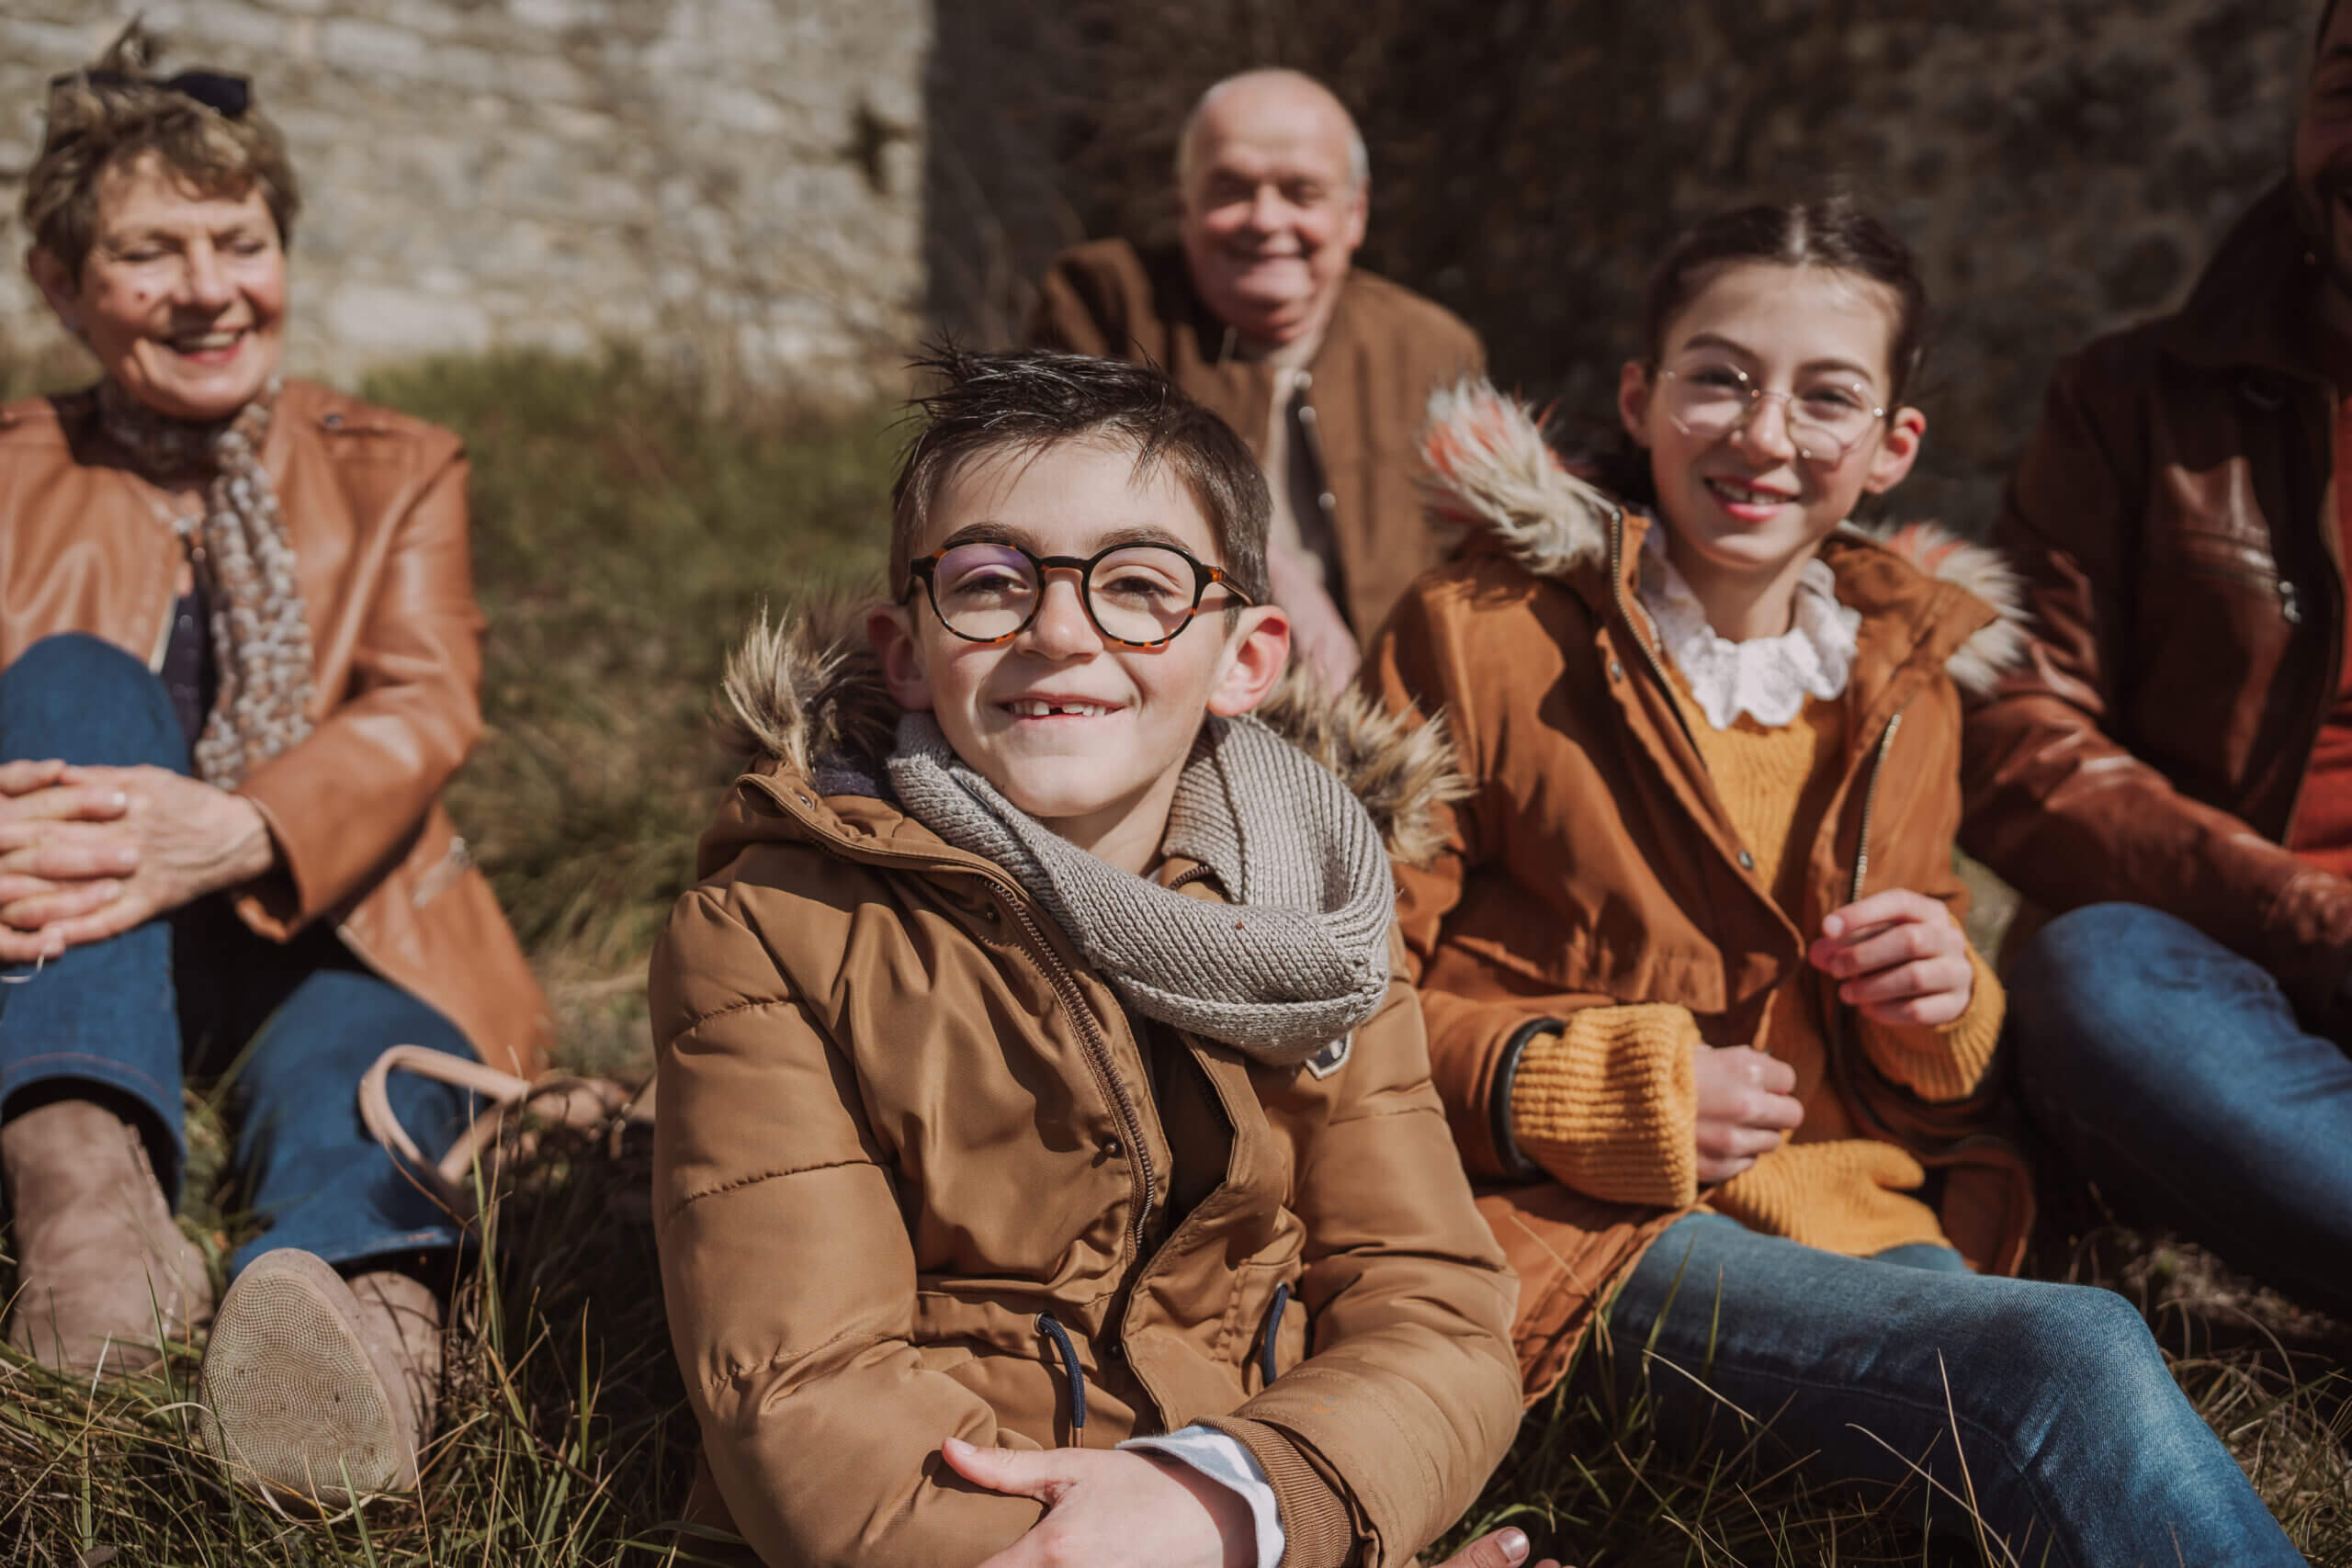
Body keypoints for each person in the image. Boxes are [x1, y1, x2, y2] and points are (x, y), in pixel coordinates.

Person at [1369, 200, 2306, 1564]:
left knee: (2011, 1445)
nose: (1762, 434)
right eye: (1720, 377)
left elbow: (1929, 1078)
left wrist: (1941, 1006)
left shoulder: (1907, 679)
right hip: (1589, 1227)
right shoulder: (1478, 634)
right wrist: (1579, 1080)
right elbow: (1334, 991)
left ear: (1888, 448)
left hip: (1866, 1210)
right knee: (2066, 1357)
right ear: (1641, 397)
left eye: (1826, 397)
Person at [648, 348, 1530, 1568]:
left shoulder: (1323, 926)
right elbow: (803, 1388)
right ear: (905, 648)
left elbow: (1437, 1310)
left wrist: (1244, 1501)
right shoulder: (769, 927)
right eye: (992, 579)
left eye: (1138, 583)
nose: (1060, 629)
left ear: (1246, 657)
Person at [0, 27, 551, 1503]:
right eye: (149, 251)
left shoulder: (396, 461)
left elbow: (427, 707)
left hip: (338, 918)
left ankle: (352, 1338)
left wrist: (238, 828)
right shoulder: (8, 467)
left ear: (280, 254)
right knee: (67, 676)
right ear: (62, 284)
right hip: (70, 952)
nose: (206, 288)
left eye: (238, 240)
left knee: (355, 1077)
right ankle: (93, 1227)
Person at [1958, 0, 2352, 1319]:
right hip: (2222, 981)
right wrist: (2302, 909)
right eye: (2348, 87)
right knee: (2095, 974)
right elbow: (2018, 732)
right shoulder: (2129, 400)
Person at [1028, 68, 1485, 692]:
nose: (1265, 220)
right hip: (1154, 689)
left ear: (1355, 213)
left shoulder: (1432, 347)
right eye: (1230, 189)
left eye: (1301, 192)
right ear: (1182, 204)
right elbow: (1055, 494)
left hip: (1388, 716)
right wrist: (1273, 577)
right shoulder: (1105, 302)